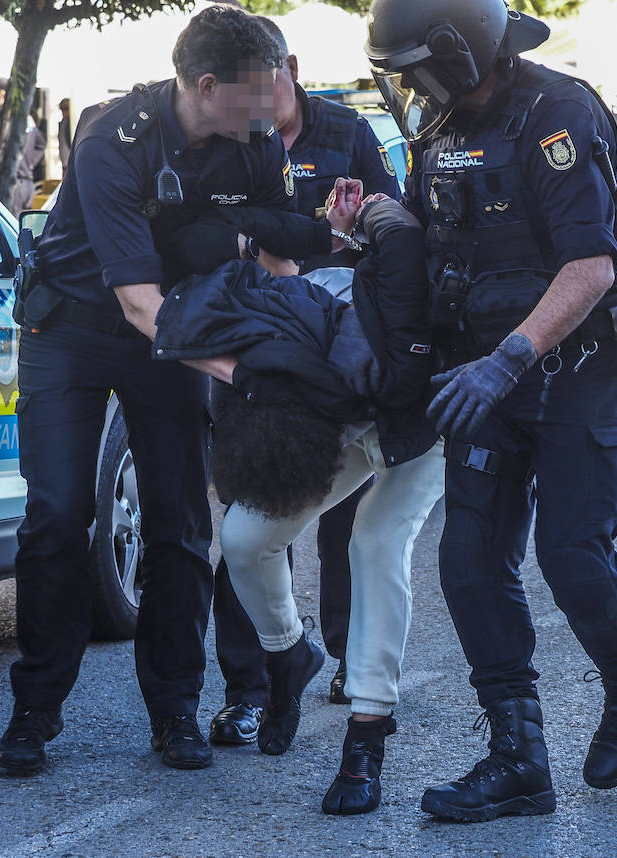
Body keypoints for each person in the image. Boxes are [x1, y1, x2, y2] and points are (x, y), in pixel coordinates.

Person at [365, 0, 617, 823]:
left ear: (459, 52)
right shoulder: (440, 132)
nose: (411, 88)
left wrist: (507, 361)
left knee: (572, 554)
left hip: (577, 371)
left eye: (417, 70)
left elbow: (591, 268)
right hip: (480, 376)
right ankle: (518, 758)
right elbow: (440, 236)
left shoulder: (556, 112)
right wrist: (382, 222)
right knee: (470, 559)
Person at [0, 6, 313, 777]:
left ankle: (174, 710)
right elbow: (140, 304)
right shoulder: (112, 139)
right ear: (206, 88)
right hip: (73, 330)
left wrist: (296, 347)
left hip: (175, 336)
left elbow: (280, 258)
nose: (274, 107)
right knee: (59, 515)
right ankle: (35, 709)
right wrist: (242, 372)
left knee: (176, 523)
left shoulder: (256, 142)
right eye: (259, 92)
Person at [155, 195, 444, 815]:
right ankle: (290, 655)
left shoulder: (385, 265)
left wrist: (364, 219)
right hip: (339, 421)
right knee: (244, 538)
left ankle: (367, 735)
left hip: (420, 418)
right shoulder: (260, 316)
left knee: (374, 539)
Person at [199, 16, 407, 749]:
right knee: (255, 505)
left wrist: (348, 229)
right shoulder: (226, 140)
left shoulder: (347, 131)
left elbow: (389, 218)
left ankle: (351, 660)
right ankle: (251, 686)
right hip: (256, 346)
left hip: (336, 349)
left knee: (347, 517)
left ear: (287, 66)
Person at [10, 115, 46, 216]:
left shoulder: (13, 122)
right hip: (28, 182)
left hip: (18, 182)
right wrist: (31, 163)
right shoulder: (31, 123)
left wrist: (31, 162)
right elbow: (42, 144)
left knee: (16, 220)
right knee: (26, 219)